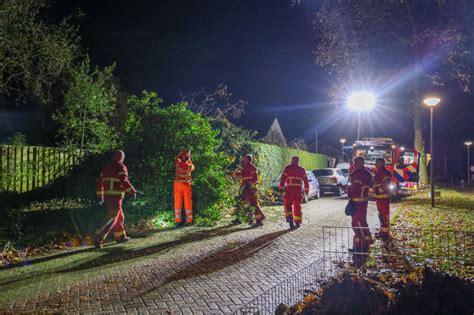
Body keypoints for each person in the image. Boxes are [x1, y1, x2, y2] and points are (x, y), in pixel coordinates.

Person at [95, 150, 136, 249]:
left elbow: (100, 182)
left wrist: (100, 195)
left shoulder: (106, 167)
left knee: (120, 217)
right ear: (121, 158)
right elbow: (124, 181)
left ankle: (120, 237)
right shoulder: (121, 167)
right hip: (116, 197)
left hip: (108, 197)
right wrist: (132, 191)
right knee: (112, 218)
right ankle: (98, 238)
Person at [347, 156, 373, 266]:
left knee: (357, 224)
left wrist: (345, 188)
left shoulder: (358, 173)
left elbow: (354, 187)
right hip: (362, 202)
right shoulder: (367, 172)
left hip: (357, 202)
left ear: (360, 163)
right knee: (362, 223)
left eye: (356, 162)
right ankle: (360, 246)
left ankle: (363, 247)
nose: (355, 164)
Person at [231, 154, 265, 226]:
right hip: (244, 188)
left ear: (249, 160)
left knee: (253, 203)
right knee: (241, 202)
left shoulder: (252, 167)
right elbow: (241, 174)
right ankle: (239, 219)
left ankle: (259, 220)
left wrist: (250, 184)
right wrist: (232, 173)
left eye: (245, 159)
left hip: (251, 188)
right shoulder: (245, 167)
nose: (243, 160)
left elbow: (255, 178)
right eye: (244, 159)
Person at [279, 156, 309, 229]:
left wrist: (281, 188)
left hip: (289, 190)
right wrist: (306, 190)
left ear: (292, 160)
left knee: (288, 204)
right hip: (298, 191)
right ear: (298, 161)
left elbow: (283, 178)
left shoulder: (288, 168)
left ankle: (290, 219)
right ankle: (297, 222)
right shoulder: (301, 169)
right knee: (297, 206)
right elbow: (305, 180)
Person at [174, 149, 195, 227]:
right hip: (186, 185)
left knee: (177, 203)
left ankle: (178, 221)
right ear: (187, 158)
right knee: (188, 202)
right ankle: (189, 220)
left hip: (177, 184)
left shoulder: (177, 164)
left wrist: (181, 153)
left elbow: (177, 158)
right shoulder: (189, 166)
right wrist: (189, 158)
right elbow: (193, 166)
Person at [373, 157, 392, 240]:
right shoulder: (379, 172)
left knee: (384, 216)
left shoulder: (385, 172)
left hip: (383, 197)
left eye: (376, 163)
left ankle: (385, 233)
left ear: (381, 163)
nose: (375, 164)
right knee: (381, 215)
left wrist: (379, 191)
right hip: (379, 198)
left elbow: (386, 185)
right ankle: (382, 232)